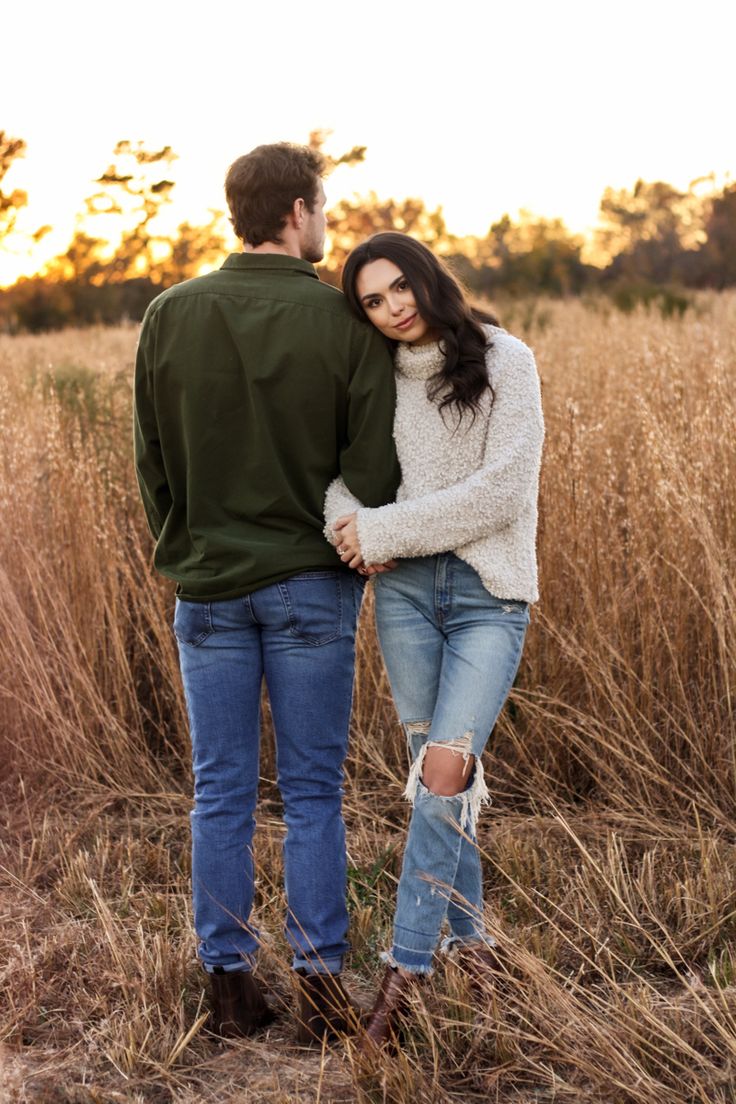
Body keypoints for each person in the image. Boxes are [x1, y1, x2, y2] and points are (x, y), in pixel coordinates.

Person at [133, 144, 400, 1045]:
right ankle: (324, 990)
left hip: (206, 587)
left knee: (220, 791)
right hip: (310, 590)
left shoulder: (168, 315)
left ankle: (230, 988)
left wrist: (189, 545)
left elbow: (153, 466)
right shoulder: (343, 325)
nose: (327, 223)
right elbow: (368, 472)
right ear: (296, 211)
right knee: (315, 793)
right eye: (322, 207)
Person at [324, 231, 544, 1049]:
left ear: (426, 275)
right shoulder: (376, 379)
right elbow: (343, 476)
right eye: (372, 302)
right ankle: (477, 958)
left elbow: (502, 491)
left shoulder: (504, 359)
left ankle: (403, 974)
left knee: (447, 770)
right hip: (407, 596)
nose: (392, 309)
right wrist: (347, 528)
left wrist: (384, 529)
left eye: (398, 288)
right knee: (436, 790)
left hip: (488, 592)